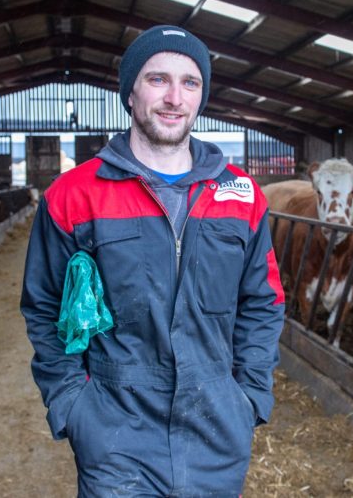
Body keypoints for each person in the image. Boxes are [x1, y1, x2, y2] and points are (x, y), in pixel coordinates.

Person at [20, 25, 286, 496]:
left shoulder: (241, 196)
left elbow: (263, 304)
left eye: (190, 82)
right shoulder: (73, 196)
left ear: (201, 97)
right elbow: (44, 308)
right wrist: (73, 405)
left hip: (217, 429)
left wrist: (249, 396)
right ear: (129, 92)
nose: (174, 98)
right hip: (114, 433)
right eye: (157, 79)